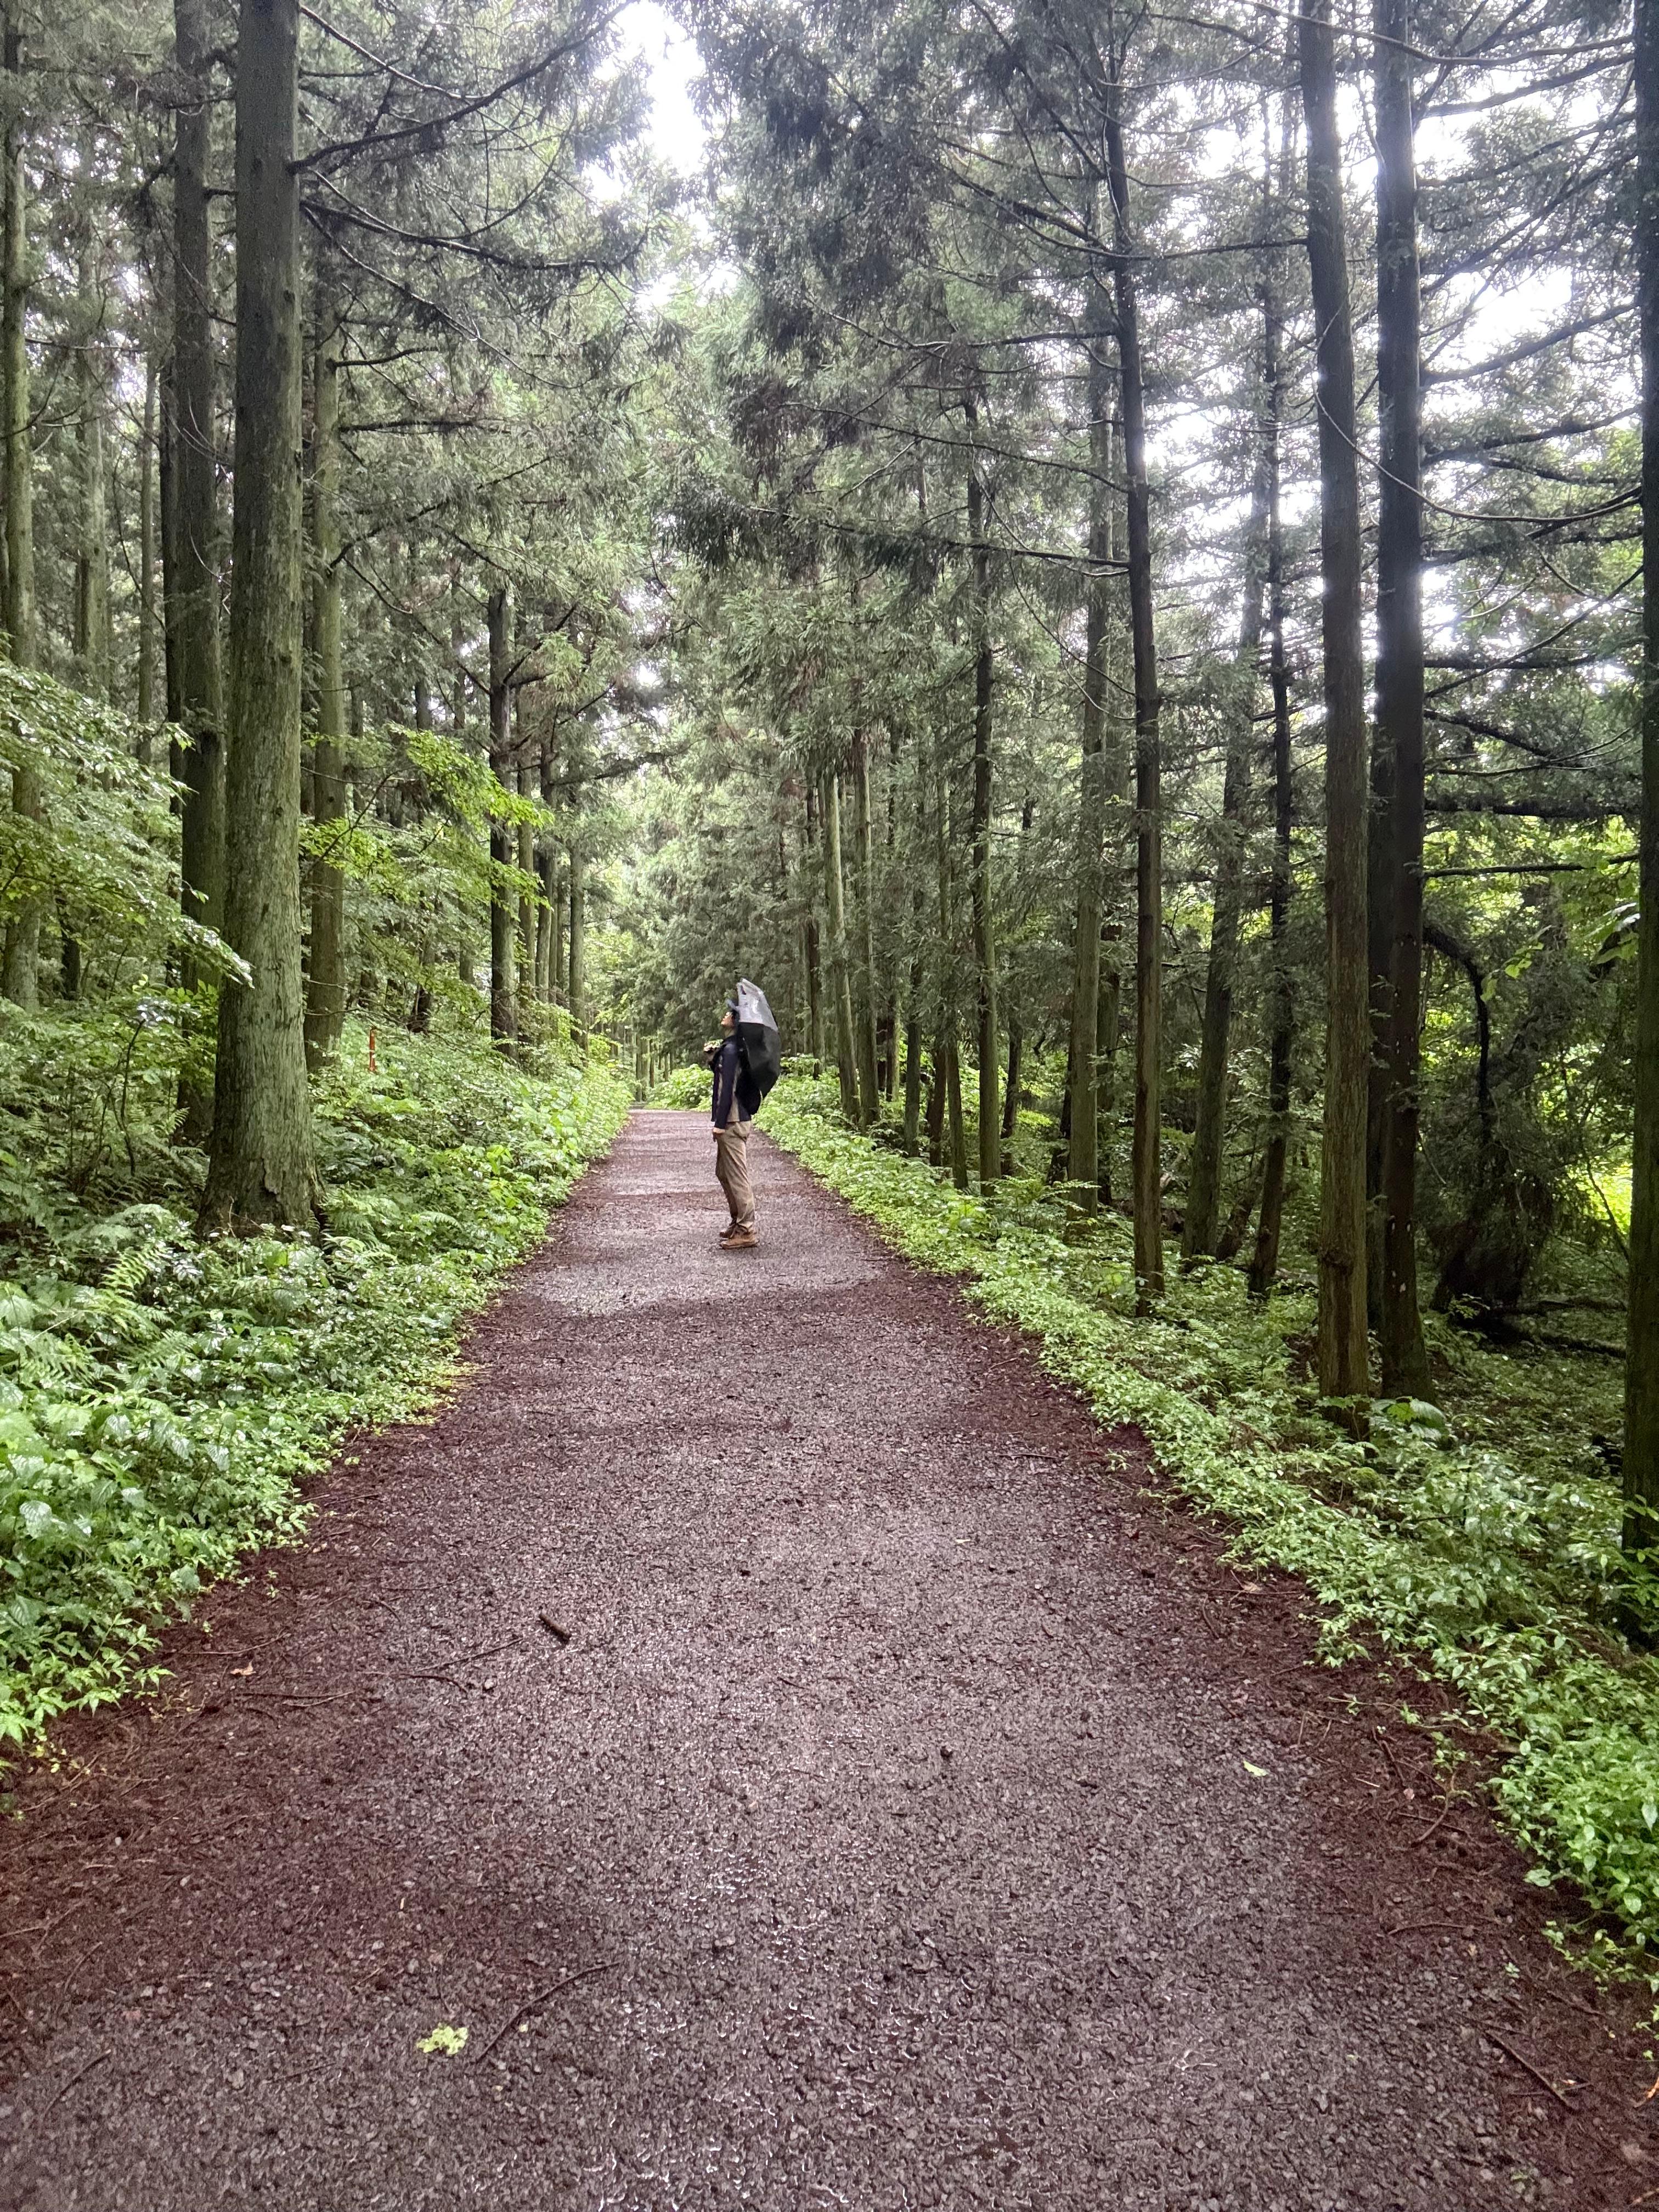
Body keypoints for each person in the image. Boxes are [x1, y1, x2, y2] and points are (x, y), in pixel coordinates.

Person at [708, 994, 761, 1249]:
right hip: (733, 1119)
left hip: (733, 1121)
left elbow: (727, 1088)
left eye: (730, 1013)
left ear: (736, 1022)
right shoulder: (731, 1048)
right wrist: (713, 1059)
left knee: (737, 1176)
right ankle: (737, 1221)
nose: (726, 1015)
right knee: (723, 1172)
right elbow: (726, 1077)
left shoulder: (732, 1051)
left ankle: (746, 1229)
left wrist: (719, 1123)